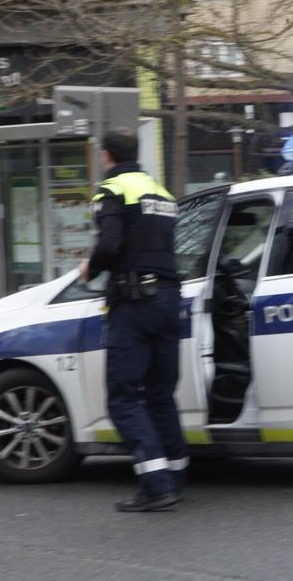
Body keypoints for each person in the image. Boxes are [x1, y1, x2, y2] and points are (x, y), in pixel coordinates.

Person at [79, 128, 186, 512]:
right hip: (169, 301)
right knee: (160, 394)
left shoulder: (112, 191)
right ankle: (175, 474)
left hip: (134, 304)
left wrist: (89, 270)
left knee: (124, 398)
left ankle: (155, 485)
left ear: (105, 155)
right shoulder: (161, 194)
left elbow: (109, 244)